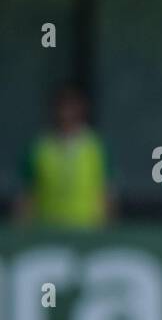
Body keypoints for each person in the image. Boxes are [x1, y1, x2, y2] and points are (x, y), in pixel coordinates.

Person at [14, 85, 114, 228]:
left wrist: (106, 229)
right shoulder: (39, 147)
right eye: (62, 106)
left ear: (82, 109)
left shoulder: (96, 147)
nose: (66, 113)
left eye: (72, 106)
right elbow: (27, 196)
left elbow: (106, 194)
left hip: (87, 230)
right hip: (46, 230)